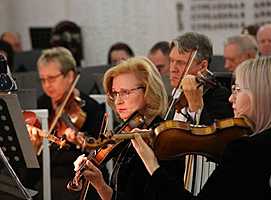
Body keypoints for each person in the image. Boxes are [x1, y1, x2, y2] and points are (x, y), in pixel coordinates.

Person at [132, 56, 271, 199]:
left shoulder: (246, 151)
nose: (231, 99)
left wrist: (153, 166)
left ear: (261, 96)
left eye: (237, 90)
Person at [73, 57, 185, 200]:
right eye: (115, 93)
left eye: (125, 92)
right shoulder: (126, 135)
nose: (118, 101)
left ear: (148, 91)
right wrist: (100, 185)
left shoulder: (161, 139)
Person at [25, 47, 107, 199]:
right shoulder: (42, 103)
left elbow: (98, 153)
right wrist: (34, 146)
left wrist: (78, 139)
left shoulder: (91, 108)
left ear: (69, 76)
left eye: (51, 78)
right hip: (46, 175)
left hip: (76, 177)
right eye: (42, 80)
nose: (46, 85)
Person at [167, 32, 233, 193]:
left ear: (203, 66)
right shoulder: (175, 96)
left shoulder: (220, 96)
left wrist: (196, 106)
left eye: (181, 63)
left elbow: (215, 145)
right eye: (171, 61)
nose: (173, 69)